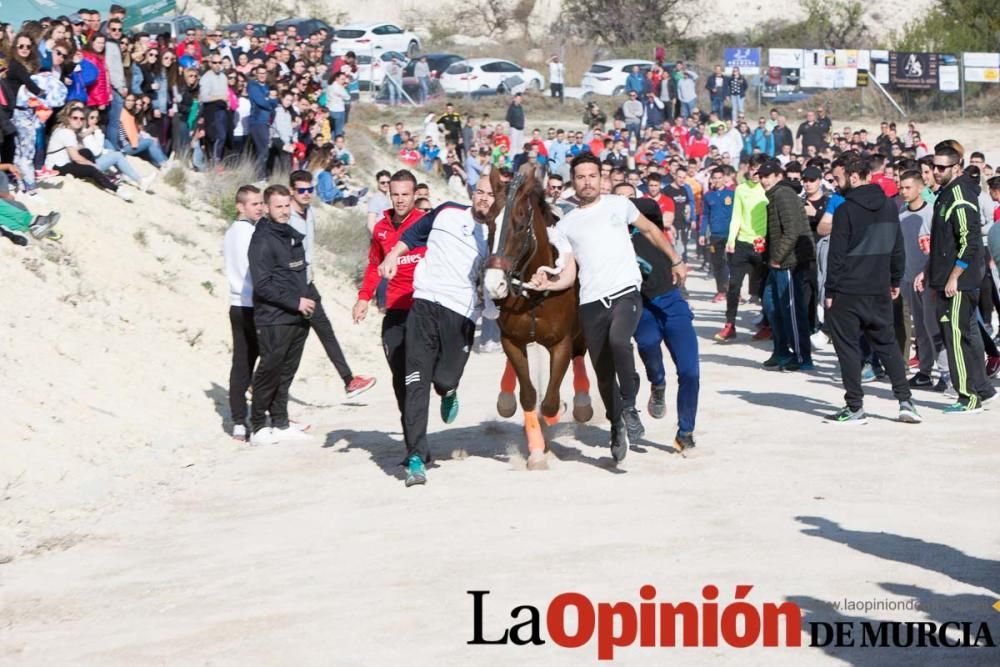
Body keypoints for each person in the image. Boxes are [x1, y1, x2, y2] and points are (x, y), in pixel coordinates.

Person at [531, 153, 687, 461]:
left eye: (592, 175)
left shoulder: (619, 205)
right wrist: (550, 284)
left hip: (625, 291)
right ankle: (617, 425)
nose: (587, 181)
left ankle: (628, 404)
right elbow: (569, 272)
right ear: (573, 182)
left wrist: (676, 259)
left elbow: (651, 231)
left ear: (601, 179)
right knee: (602, 372)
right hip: (590, 302)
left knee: (619, 341)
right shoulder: (567, 224)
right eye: (581, 177)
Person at [377, 175, 496, 487]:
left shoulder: (495, 234)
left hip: (461, 315)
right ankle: (416, 456)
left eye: (491, 194)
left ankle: (449, 389)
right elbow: (414, 233)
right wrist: (392, 256)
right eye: (480, 191)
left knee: (443, 379)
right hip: (424, 304)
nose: (483, 198)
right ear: (473, 192)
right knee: (414, 381)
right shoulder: (446, 212)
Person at [824, 158, 920, 425]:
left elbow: (837, 254)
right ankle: (906, 401)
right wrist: (894, 280)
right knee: (887, 344)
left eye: (838, 178)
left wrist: (830, 289)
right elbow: (897, 247)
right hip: (879, 288)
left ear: (854, 177)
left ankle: (855, 407)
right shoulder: (890, 205)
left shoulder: (845, 210)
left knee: (848, 348)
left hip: (848, 289)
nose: (836, 183)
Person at [614, 184, 700, 450]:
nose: (627, 203)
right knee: (648, 345)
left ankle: (685, 431)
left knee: (690, 372)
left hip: (671, 300)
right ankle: (658, 383)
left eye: (631, 198)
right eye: (621, 199)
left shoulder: (647, 216)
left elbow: (650, 214)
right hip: (641, 306)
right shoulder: (609, 236)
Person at [915, 145, 995, 413]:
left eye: (941, 168)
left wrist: (953, 278)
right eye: (934, 167)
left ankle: (967, 396)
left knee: (955, 337)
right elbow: (942, 243)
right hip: (949, 278)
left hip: (960, 282)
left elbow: (970, 241)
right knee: (969, 335)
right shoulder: (946, 194)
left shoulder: (959, 196)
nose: (936, 172)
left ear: (956, 167)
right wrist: (927, 272)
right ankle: (983, 389)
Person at [288, 170, 377, 399]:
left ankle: (349, 381)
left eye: (310, 190)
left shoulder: (310, 214)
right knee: (290, 339)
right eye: (301, 190)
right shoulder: (286, 216)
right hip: (293, 286)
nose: (307, 194)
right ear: (291, 191)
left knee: (319, 332)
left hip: (308, 282)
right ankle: (259, 382)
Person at [353, 170, 427, 426]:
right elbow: (374, 265)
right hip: (395, 309)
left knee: (422, 375)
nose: (400, 200)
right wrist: (364, 298)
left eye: (405, 194)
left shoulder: (425, 224)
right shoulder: (381, 229)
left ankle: (444, 391)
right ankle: (412, 432)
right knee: (399, 375)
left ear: (415, 195)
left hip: (423, 309)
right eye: (395, 194)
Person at [246, 185, 314, 445]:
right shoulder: (262, 239)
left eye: (287, 206)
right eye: (279, 207)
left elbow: (298, 273)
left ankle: (281, 423)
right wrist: (294, 301)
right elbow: (262, 284)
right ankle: (258, 425)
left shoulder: (290, 233)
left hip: (297, 316)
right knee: (270, 370)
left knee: (286, 372)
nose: (284, 211)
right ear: (266, 208)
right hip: (273, 317)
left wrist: (307, 302)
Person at [757, 161, 815, 371]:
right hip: (778, 262)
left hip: (789, 262)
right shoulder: (775, 196)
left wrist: (778, 256)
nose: (764, 180)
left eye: (768, 175)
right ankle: (781, 351)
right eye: (761, 176)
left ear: (778, 176)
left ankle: (802, 357)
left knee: (792, 309)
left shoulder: (783, 195)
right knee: (771, 304)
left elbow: (792, 230)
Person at [897, 170, 947, 391]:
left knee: (932, 326)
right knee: (920, 327)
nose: (903, 191)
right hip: (908, 279)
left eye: (908, 187)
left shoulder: (932, 213)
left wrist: (928, 274)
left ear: (920, 188)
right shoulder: (901, 214)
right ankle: (924, 372)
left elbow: (937, 249)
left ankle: (946, 373)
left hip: (928, 280)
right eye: (901, 187)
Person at [224, 185, 265, 441]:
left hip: (236, 302)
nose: (259, 207)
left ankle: (239, 420)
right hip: (252, 304)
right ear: (241, 206)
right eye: (254, 204)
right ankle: (265, 414)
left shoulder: (229, 233)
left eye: (261, 203)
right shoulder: (251, 233)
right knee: (269, 360)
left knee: (242, 363)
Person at [716, 154, 770, 341]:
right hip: (742, 243)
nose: (756, 172)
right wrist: (731, 239)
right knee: (733, 285)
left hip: (762, 245)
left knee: (763, 288)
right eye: (754, 168)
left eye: (760, 168)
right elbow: (737, 215)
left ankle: (767, 325)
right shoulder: (741, 189)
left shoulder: (770, 190)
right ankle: (730, 324)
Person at [701, 167, 734, 301]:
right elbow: (705, 216)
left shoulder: (732, 194)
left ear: (724, 178)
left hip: (730, 235)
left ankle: (733, 291)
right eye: (715, 178)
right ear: (711, 179)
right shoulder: (708, 195)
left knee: (732, 264)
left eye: (720, 177)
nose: (717, 180)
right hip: (715, 235)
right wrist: (702, 234)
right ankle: (721, 291)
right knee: (717, 263)